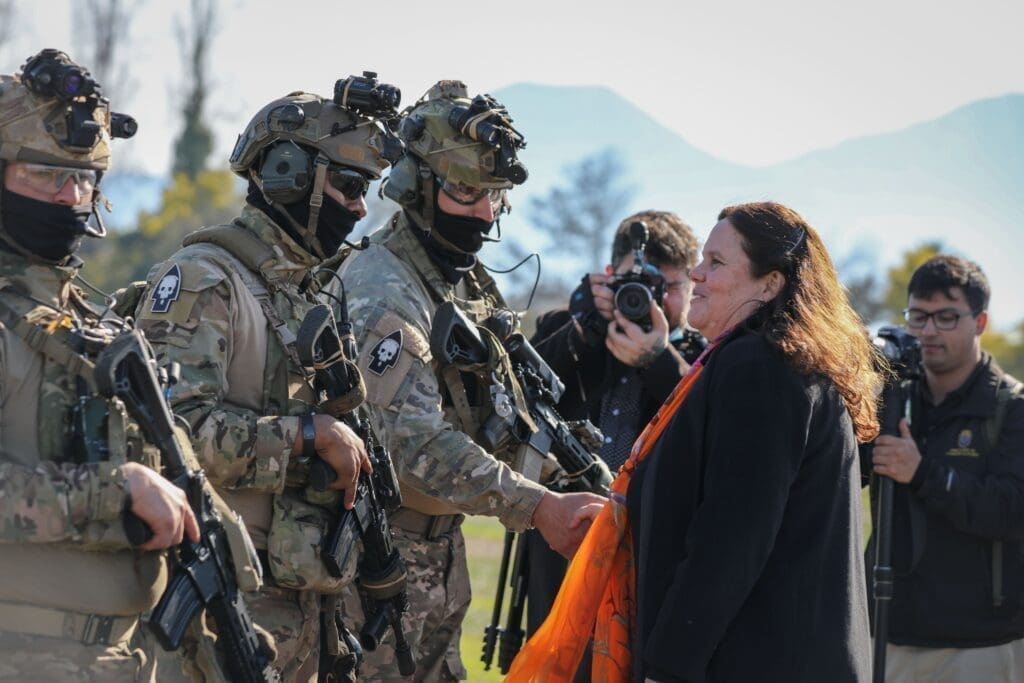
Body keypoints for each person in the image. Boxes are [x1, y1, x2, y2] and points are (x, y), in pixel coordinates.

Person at [509, 201, 880, 682]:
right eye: (701, 259)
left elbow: (730, 541)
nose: (696, 274)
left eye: (716, 262)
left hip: (758, 662)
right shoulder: (768, 360)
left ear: (770, 284)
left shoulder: (759, 368)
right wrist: (625, 520)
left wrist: (667, 668)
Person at [325, 80, 605, 682]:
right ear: (416, 186)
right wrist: (538, 506)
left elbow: (502, 407)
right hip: (377, 563)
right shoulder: (383, 287)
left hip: (438, 556)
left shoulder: (461, 280)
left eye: (495, 195)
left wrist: (576, 482)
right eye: (467, 191)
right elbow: (412, 443)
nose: (484, 212)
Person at [134, 81, 399, 682]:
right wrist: (307, 436)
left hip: (307, 602)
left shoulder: (310, 291)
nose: (360, 209)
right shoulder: (206, 280)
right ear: (288, 175)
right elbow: (169, 436)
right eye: (350, 186)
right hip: (227, 603)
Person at [0, 49, 202, 680]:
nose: (70, 196)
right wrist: (114, 491)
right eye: (44, 174)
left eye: (84, 179)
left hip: (123, 656)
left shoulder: (97, 321)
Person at [526, 210, 705, 659]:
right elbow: (519, 396)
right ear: (608, 277)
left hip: (648, 561)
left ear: (690, 286)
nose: (650, 300)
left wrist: (658, 359)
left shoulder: (700, 359)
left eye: (667, 287)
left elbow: (706, 426)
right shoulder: (572, 328)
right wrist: (582, 329)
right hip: (564, 548)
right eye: (634, 283)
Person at [866, 255, 1024, 682]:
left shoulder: (1012, 407)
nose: (929, 331)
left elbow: (1011, 510)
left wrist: (923, 474)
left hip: (979, 644)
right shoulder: (893, 397)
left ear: (980, 321)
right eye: (918, 316)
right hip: (888, 634)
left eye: (947, 317)